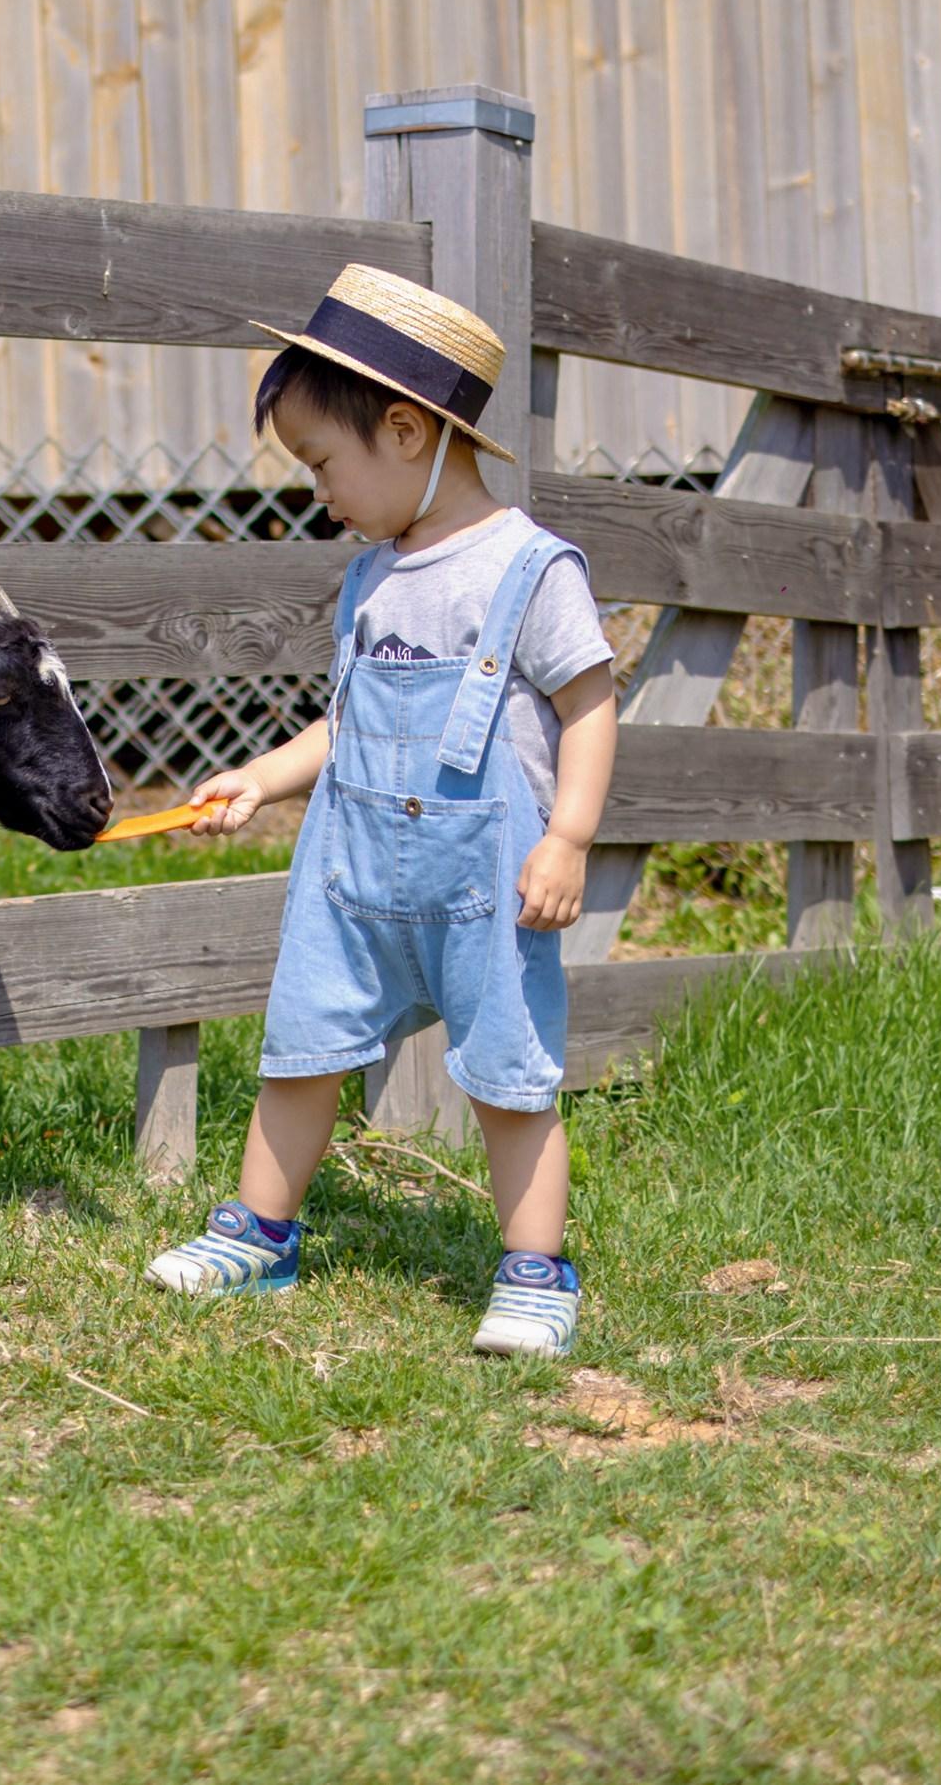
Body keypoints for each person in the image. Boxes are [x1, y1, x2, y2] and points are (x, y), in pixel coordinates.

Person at [144, 264, 618, 1357]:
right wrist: (263, 775)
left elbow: (591, 702)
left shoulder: (529, 568)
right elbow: (349, 722)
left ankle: (535, 1270)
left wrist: (569, 835)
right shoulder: (371, 576)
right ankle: (261, 1232)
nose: (316, 488)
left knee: (510, 1073)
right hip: (354, 874)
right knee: (300, 1051)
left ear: (407, 432)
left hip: (485, 881)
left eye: (323, 462)